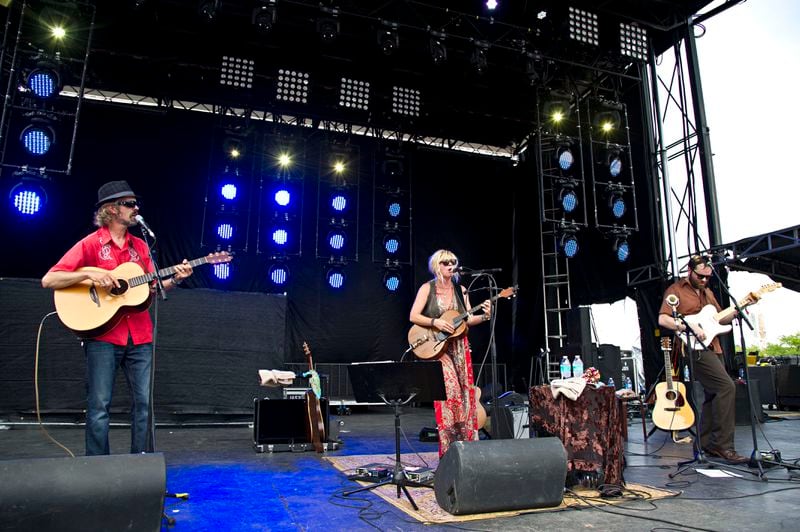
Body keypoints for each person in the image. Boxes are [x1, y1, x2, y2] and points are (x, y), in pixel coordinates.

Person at [41, 180, 193, 455]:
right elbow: (50, 279)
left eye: (136, 204)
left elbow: (152, 288)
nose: (136, 208)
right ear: (111, 210)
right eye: (129, 204)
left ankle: (141, 465)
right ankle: (99, 469)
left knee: (144, 405)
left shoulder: (141, 247)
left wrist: (175, 281)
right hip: (103, 336)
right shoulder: (91, 244)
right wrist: (89, 274)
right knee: (99, 405)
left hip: (140, 335)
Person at [657, 254, 747, 464]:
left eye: (708, 277)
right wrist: (688, 326)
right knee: (726, 387)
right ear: (690, 271)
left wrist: (736, 311)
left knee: (713, 394)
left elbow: (717, 318)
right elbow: (663, 318)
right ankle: (723, 446)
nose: (704, 280)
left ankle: (706, 444)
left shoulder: (708, 292)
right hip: (693, 347)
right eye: (701, 276)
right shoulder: (676, 290)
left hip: (713, 345)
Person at [409, 249, 491, 457]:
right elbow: (413, 315)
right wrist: (435, 321)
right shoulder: (427, 289)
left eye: (453, 261)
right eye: (446, 262)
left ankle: (466, 447)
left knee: (465, 393)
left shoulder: (461, 290)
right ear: (437, 265)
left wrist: (484, 317)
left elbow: (467, 319)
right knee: (450, 392)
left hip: (460, 347)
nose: (450, 265)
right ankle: (448, 447)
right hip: (437, 347)